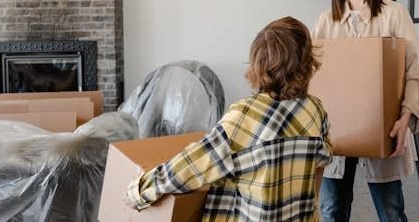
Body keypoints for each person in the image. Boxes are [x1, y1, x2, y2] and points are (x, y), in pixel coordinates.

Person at [124, 16, 333, 221]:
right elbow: (321, 164)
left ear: (258, 64)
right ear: (307, 64)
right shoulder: (315, 110)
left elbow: (193, 165)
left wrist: (141, 190)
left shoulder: (245, 117)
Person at [312, 0, 419, 222]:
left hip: (383, 127)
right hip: (335, 132)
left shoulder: (394, 15)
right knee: (331, 211)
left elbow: (416, 71)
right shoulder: (326, 21)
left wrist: (406, 117)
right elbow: (314, 78)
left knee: (391, 212)